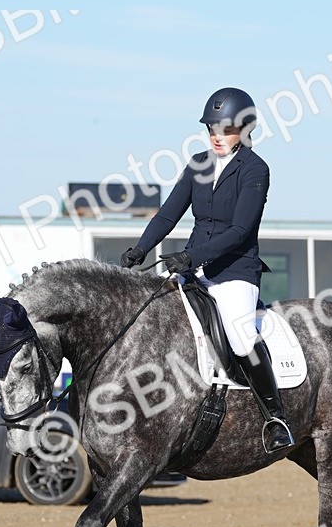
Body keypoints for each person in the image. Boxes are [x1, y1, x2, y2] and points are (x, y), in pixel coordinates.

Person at [121, 87, 295, 452]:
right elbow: (168, 214)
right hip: (193, 270)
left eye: (226, 129)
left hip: (234, 271)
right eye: (212, 128)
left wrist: (191, 256)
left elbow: (240, 231)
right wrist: (141, 247)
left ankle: (275, 417)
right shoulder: (197, 164)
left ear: (244, 130)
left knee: (242, 336)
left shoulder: (255, 169)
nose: (217, 135)